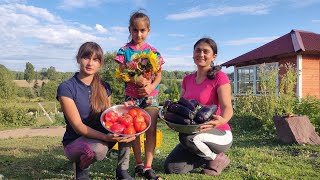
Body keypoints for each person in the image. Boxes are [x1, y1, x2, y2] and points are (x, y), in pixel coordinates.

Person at [57, 42, 136, 180]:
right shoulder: (66, 88)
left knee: (128, 130)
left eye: (95, 59)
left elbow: (108, 117)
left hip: (100, 135)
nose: (90, 63)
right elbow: (79, 127)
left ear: (100, 64)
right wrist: (105, 137)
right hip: (76, 141)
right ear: (78, 59)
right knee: (99, 150)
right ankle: (82, 169)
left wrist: (124, 111)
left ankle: (122, 171)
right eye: (86, 57)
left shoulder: (105, 87)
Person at [164, 37, 233, 176]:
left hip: (219, 132)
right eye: (198, 50)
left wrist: (221, 121)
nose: (201, 54)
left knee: (186, 138)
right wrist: (172, 121)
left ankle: (217, 159)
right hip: (194, 132)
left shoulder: (220, 77)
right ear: (193, 54)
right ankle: (204, 155)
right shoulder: (187, 79)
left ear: (213, 56)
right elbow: (180, 106)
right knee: (172, 168)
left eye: (205, 51)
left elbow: (228, 108)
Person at [114, 10, 164, 180]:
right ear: (130, 30)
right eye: (135, 30)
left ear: (148, 31)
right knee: (134, 130)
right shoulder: (124, 51)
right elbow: (122, 73)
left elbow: (159, 74)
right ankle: (138, 164)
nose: (139, 34)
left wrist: (150, 87)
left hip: (150, 97)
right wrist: (137, 81)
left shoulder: (154, 52)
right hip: (132, 98)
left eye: (142, 30)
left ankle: (148, 167)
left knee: (150, 130)